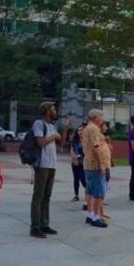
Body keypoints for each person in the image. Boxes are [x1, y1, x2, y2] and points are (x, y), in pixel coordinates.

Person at [29, 102, 62, 239]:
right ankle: (35, 226)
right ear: (47, 111)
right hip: (42, 164)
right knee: (39, 195)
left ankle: (44, 223)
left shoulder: (52, 126)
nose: (55, 111)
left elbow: (61, 143)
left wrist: (64, 130)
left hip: (51, 164)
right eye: (53, 109)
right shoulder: (39, 124)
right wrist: (54, 136)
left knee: (47, 195)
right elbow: (40, 142)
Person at [81, 110, 111, 228]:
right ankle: (95, 217)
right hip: (95, 165)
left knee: (90, 190)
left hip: (89, 164)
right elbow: (95, 147)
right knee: (98, 192)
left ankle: (90, 215)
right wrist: (101, 165)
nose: (102, 118)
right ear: (94, 117)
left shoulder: (89, 127)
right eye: (100, 115)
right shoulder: (93, 128)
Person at [70, 123, 87, 203]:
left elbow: (86, 152)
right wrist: (74, 158)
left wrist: (80, 159)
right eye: (78, 130)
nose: (80, 132)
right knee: (75, 179)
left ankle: (89, 193)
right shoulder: (75, 141)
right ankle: (76, 195)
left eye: (82, 130)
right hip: (74, 162)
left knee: (83, 179)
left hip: (83, 162)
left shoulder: (87, 141)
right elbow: (72, 150)